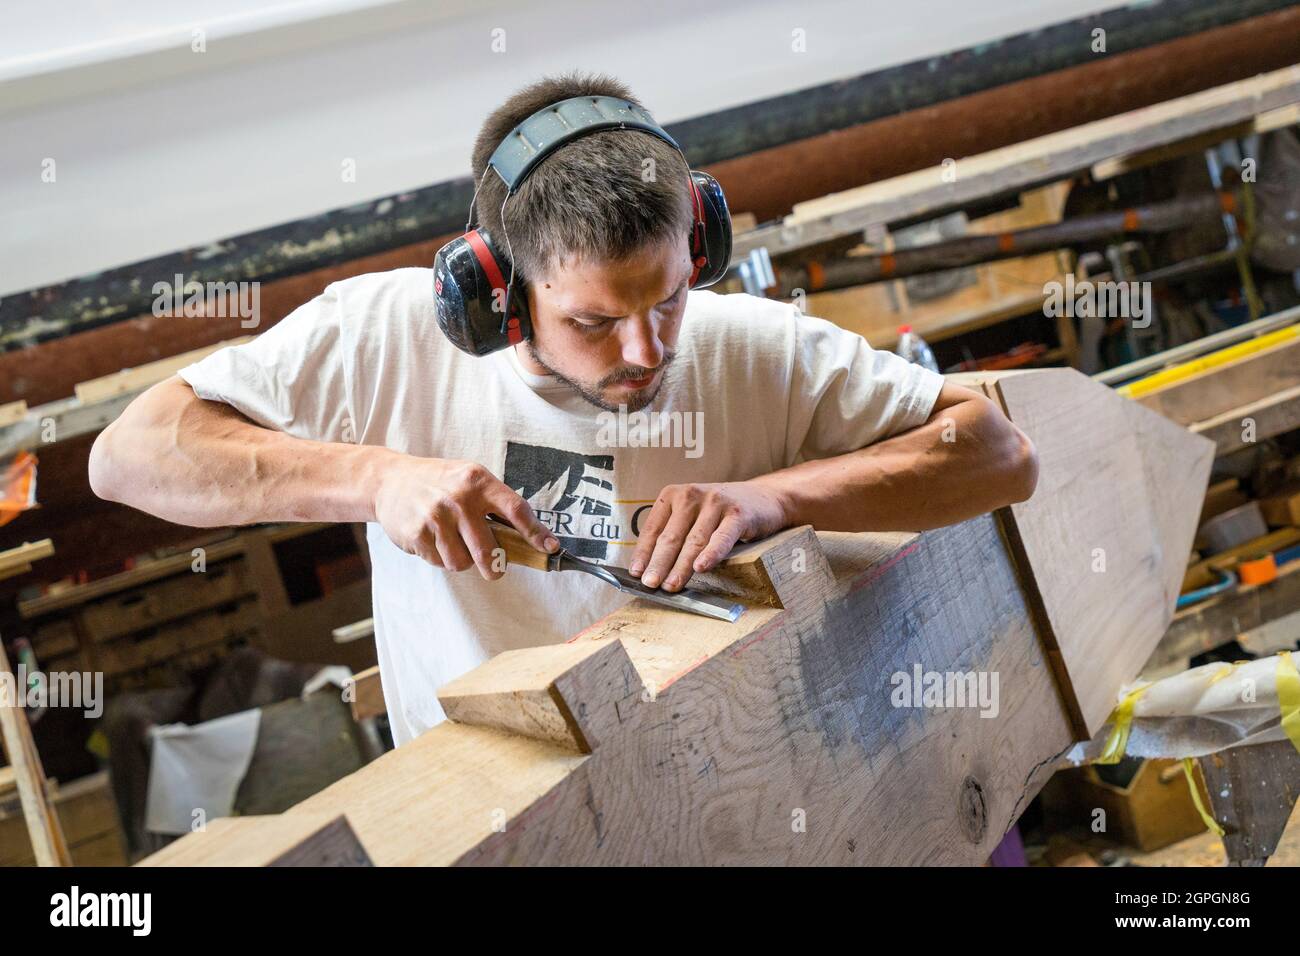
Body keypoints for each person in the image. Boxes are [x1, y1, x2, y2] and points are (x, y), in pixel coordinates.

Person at [89, 73, 1037, 746]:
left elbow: (999, 455)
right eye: (593, 321)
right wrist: (374, 478)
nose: (648, 351)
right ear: (496, 293)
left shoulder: (754, 345)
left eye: (667, 297)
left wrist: (775, 499)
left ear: (697, 244)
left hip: (734, 776)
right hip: (483, 811)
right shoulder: (383, 337)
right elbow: (130, 455)